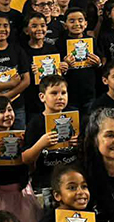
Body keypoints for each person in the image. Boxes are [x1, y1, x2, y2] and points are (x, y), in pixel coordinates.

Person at [0, 97, 40, 222]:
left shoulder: (22, 136)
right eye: (1, 112)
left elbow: (31, 166)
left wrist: (25, 148)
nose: (7, 114)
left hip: (21, 193)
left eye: (9, 110)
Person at [22, 75, 79, 204]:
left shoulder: (75, 119)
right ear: (42, 97)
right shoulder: (35, 123)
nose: (60, 97)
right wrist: (41, 144)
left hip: (72, 181)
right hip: (45, 183)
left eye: (63, 93)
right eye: (54, 93)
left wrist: (79, 143)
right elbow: (25, 158)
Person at [60, 7, 101, 117]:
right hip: (69, 93)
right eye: (72, 21)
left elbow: (100, 63)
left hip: (89, 91)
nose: (77, 24)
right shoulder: (60, 43)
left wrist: (98, 63)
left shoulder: (92, 41)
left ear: (86, 24)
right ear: (65, 25)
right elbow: (57, 68)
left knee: (89, 121)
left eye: (80, 20)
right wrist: (64, 65)